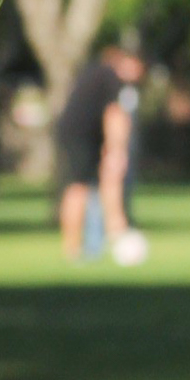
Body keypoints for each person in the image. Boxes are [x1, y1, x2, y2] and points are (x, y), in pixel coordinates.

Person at [56, 42, 148, 265]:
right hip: (79, 135)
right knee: (79, 187)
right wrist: (117, 150)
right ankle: (73, 248)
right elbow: (115, 115)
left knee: (96, 185)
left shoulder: (99, 72)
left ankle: (108, 235)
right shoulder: (110, 75)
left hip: (82, 134)